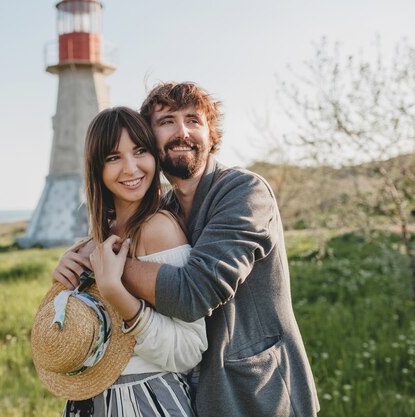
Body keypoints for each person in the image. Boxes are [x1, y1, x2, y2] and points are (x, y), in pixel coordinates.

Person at [54, 83, 320, 416]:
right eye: (167, 121)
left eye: (193, 120)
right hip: (190, 393)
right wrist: (79, 264)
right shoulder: (162, 210)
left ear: (212, 134)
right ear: (151, 138)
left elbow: (195, 291)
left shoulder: (244, 192)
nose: (182, 131)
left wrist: (103, 268)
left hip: (256, 393)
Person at [49, 106, 208, 417]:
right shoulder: (98, 238)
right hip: (92, 400)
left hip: (147, 400)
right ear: (97, 168)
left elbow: (190, 350)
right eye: (113, 157)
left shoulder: (158, 229)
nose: (131, 168)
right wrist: (63, 290)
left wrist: (116, 293)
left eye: (140, 151)